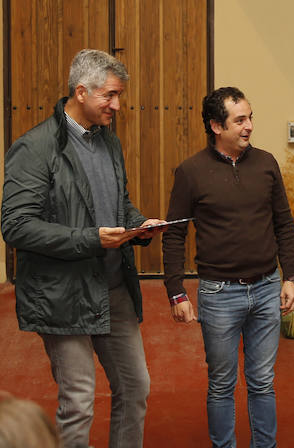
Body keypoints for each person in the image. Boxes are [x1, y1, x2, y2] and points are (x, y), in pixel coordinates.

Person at [1, 49, 165, 447]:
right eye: (110, 96)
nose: (117, 105)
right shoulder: (36, 148)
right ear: (80, 92)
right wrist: (90, 239)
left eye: (119, 95)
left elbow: (117, 201)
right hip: (63, 294)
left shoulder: (109, 142)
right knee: (78, 402)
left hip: (113, 287)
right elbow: (16, 226)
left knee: (136, 388)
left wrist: (137, 223)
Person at [162, 86, 294, 448]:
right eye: (240, 120)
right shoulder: (190, 172)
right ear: (215, 125)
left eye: (250, 117)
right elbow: (174, 235)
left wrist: (291, 276)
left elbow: (284, 224)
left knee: (262, 381)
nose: (249, 126)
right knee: (222, 384)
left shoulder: (267, 163)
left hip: (268, 286)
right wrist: (176, 291)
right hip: (219, 294)